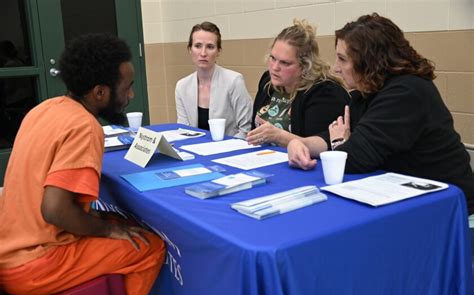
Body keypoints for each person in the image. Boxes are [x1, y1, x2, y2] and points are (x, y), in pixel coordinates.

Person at [0, 33, 165, 295]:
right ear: (100, 92)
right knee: (149, 247)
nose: (131, 96)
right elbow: (54, 209)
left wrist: (103, 222)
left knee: (120, 222)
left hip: (7, 252)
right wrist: (107, 229)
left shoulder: (43, 109)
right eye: (127, 88)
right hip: (32, 265)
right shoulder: (85, 126)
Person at [287, 13, 474, 214]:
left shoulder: (406, 92)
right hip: (413, 201)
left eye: (342, 59)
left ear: (369, 61)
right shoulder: (368, 92)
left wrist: (339, 143)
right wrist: (300, 143)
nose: (336, 68)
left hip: (452, 211)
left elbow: (353, 159)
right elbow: (336, 133)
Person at [246, 19, 350, 147]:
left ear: (305, 66)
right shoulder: (268, 80)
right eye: (273, 58)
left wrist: (278, 136)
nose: (275, 67)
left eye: (285, 63)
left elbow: (320, 146)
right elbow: (253, 131)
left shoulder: (324, 92)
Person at [175, 21, 253, 139]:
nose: (203, 53)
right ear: (190, 49)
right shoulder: (182, 86)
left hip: (230, 150)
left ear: (218, 51)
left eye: (210, 47)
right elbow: (184, 130)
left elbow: (246, 129)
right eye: (198, 46)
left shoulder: (234, 81)